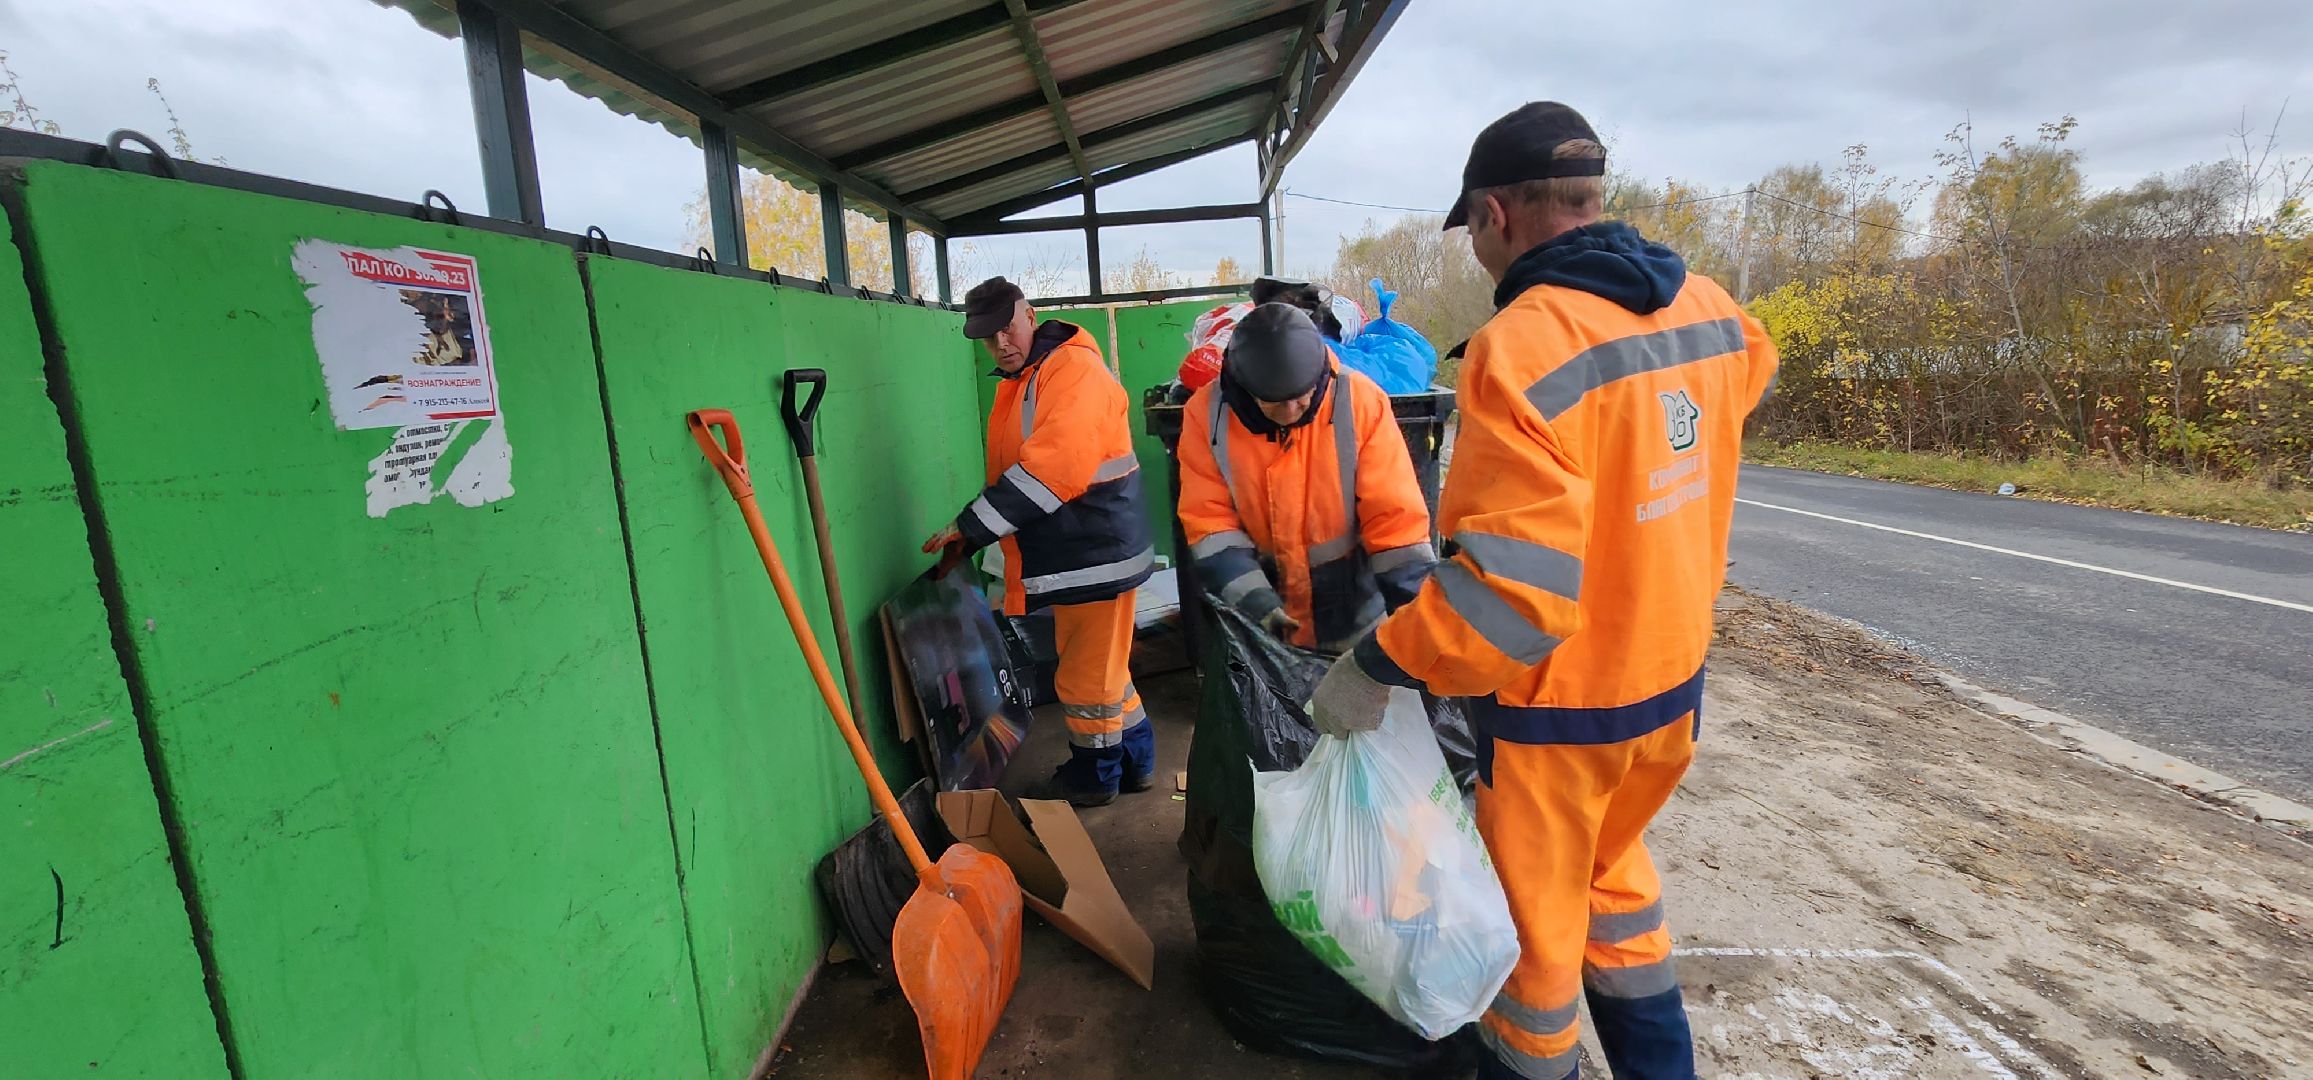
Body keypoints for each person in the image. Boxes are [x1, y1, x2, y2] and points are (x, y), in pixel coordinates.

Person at [1308, 102, 1779, 1080]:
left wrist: (1379, 661)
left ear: (1495, 214)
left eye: (1471, 232)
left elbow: (1509, 604)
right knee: (1613, 889)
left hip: (1562, 715)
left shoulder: (1522, 346)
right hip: (1668, 692)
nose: (1477, 251)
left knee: (1533, 953)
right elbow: (1746, 380)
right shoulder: (1710, 308)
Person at [924, 276, 1157, 806]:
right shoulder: (1032, 375)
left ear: (1029, 315)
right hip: (1088, 551)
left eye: (1007, 329)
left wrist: (972, 526)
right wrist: (976, 532)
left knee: (1086, 678)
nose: (1000, 343)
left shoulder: (1071, 371)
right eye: (988, 338)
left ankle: (1094, 778)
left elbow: (1052, 468)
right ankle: (1136, 760)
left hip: (1095, 554)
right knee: (1105, 670)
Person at [1175, 302, 1436, 653]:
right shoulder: (1206, 415)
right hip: (1262, 627)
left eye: (1300, 397)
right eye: (1273, 401)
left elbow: (1394, 518)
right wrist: (1256, 603)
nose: (1289, 410)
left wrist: (1416, 616)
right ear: (1243, 386)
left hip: (1356, 618)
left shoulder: (1360, 402)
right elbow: (1209, 523)